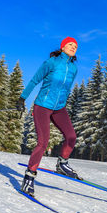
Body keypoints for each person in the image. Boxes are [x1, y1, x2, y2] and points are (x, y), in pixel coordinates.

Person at [16, 36, 82, 197]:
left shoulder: (74, 68)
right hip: (43, 106)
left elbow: (66, 90)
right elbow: (34, 80)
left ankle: (62, 163)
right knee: (42, 143)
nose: (73, 47)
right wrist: (22, 99)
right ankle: (29, 177)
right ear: (63, 47)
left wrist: (64, 105)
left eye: (75, 46)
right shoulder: (51, 62)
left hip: (59, 108)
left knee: (71, 137)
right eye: (70, 45)